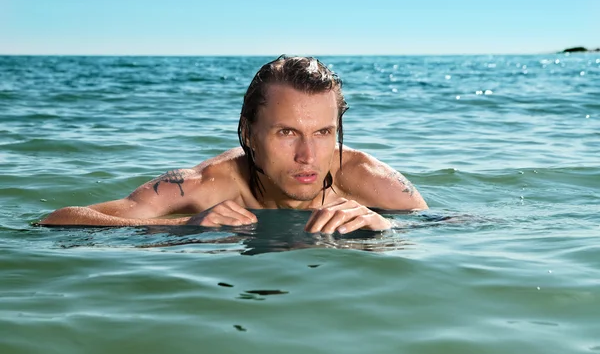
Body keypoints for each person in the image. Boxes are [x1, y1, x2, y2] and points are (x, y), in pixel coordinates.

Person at [40, 56, 428, 234]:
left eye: (323, 133)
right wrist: (182, 227)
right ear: (249, 134)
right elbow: (55, 220)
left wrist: (388, 229)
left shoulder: (368, 180)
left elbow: (461, 229)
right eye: (286, 132)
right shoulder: (204, 185)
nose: (308, 156)